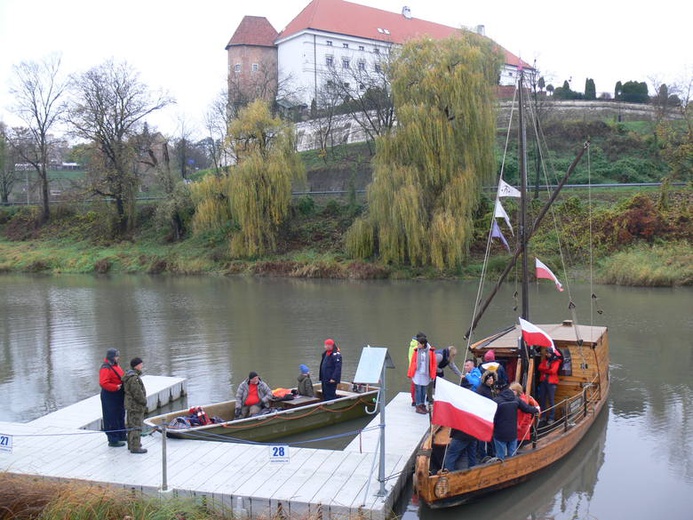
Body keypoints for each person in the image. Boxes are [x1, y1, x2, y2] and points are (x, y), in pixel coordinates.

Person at [492, 382, 540, 460]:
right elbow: (527, 408)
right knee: (512, 456)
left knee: (500, 457)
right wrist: (536, 410)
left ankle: (502, 469)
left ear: (498, 391)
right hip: (512, 433)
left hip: (500, 433)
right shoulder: (516, 399)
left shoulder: (496, 401)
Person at [99, 348, 126, 447]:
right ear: (111, 357)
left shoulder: (115, 365)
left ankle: (121, 435)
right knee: (111, 417)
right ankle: (113, 439)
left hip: (118, 394)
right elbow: (103, 382)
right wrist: (115, 387)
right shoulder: (105, 368)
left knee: (120, 415)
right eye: (116, 356)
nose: (118, 358)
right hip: (110, 395)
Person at [407, 332, 437, 415]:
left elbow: (433, 364)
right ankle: (418, 405)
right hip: (417, 373)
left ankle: (422, 405)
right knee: (418, 389)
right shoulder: (416, 351)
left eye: (419, 344)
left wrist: (433, 374)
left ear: (423, 344)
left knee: (423, 390)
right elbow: (413, 362)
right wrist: (410, 373)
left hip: (426, 374)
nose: (418, 345)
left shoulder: (430, 351)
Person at [122, 357, 148, 454]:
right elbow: (137, 393)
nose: (142, 366)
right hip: (135, 405)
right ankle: (135, 447)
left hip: (130, 405)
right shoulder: (134, 378)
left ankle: (131, 444)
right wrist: (144, 401)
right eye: (141, 364)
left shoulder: (129, 375)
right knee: (136, 425)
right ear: (137, 365)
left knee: (131, 424)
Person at [510, 382, 540, 446]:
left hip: (521, 430)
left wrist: (521, 426)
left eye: (513, 390)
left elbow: (527, 416)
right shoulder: (515, 399)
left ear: (518, 391)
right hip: (516, 429)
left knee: (519, 447)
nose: (511, 392)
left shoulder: (523, 401)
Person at [538, 346, 562, 424]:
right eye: (546, 353)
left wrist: (545, 370)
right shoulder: (546, 361)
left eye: (548, 353)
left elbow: (553, 371)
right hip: (544, 382)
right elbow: (539, 367)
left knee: (551, 400)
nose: (547, 354)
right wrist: (547, 369)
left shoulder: (556, 361)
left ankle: (551, 418)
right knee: (542, 400)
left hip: (551, 383)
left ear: (551, 353)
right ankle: (543, 417)